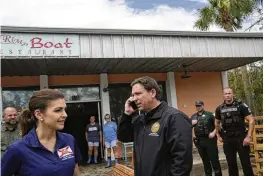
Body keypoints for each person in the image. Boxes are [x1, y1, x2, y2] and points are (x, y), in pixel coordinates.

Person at [117, 76, 193, 176]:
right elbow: (123, 136)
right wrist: (127, 114)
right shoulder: (140, 120)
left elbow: (182, 161)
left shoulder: (174, 118)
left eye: (138, 94)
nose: (134, 99)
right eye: (133, 95)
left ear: (152, 92)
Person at [1, 89, 81, 176]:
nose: (65, 114)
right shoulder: (17, 149)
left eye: (64, 110)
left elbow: (75, 172)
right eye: (58, 110)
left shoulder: (69, 140)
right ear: (39, 114)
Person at [215, 87, 255, 176]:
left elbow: (251, 120)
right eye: (226, 94)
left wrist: (248, 136)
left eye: (229, 93)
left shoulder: (241, 106)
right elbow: (216, 122)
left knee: (246, 164)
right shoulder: (219, 108)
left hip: (241, 138)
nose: (228, 95)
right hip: (228, 139)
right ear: (223, 95)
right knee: (231, 164)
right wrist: (218, 135)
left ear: (233, 94)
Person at [191, 100, 222, 176]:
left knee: (214, 160)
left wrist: (214, 133)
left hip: (210, 140)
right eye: (197, 106)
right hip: (199, 141)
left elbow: (218, 125)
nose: (198, 107)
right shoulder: (193, 116)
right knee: (205, 161)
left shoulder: (210, 115)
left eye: (199, 106)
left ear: (203, 106)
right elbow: (189, 127)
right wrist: (192, 135)